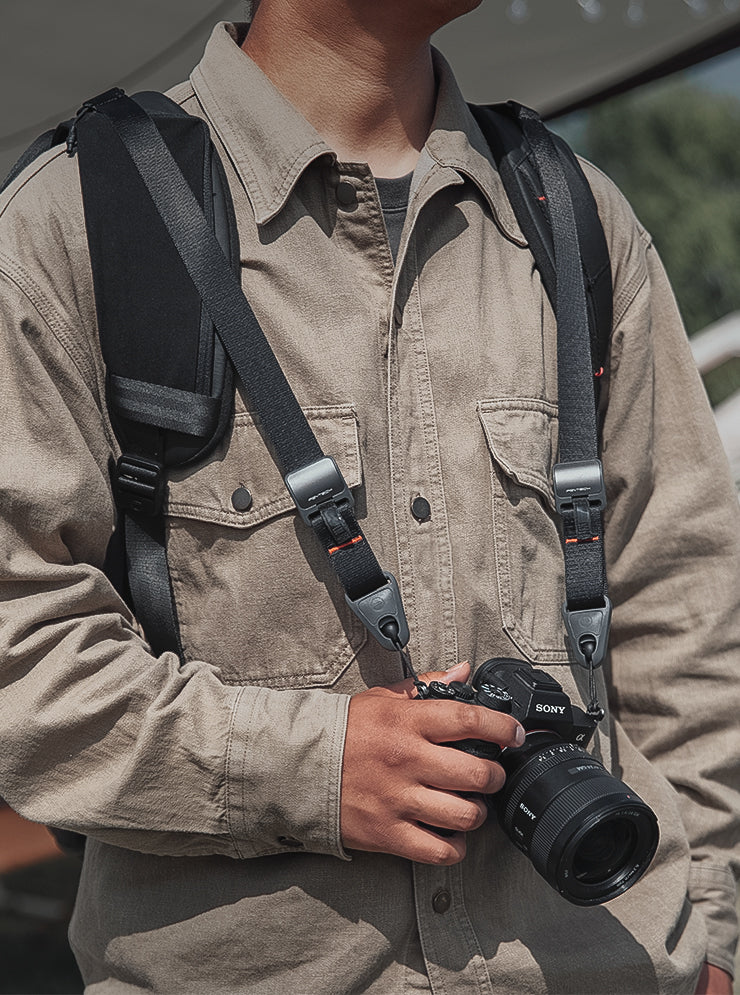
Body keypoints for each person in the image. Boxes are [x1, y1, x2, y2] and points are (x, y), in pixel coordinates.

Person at [0, 2, 738, 992]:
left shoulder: (573, 217)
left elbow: (686, 612)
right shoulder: (77, 220)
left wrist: (714, 936)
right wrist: (310, 769)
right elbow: (20, 643)